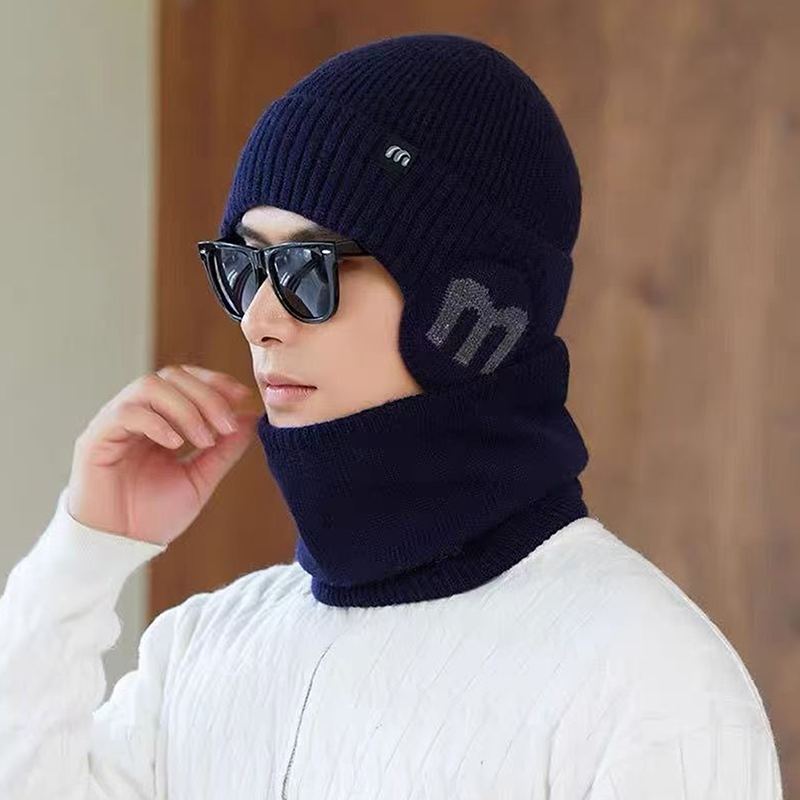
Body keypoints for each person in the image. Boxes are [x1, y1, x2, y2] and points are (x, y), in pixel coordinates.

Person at [0, 33, 783, 800]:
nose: (258, 320)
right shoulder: (203, 651)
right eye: (244, 265)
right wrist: (84, 551)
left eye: (307, 268)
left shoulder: (649, 689)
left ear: (469, 310)